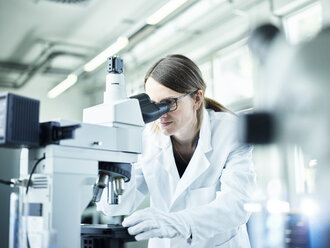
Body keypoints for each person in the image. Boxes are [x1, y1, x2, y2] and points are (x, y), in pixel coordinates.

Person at [97, 54, 256, 248]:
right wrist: (114, 158)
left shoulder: (232, 132)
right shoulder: (147, 138)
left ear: (197, 99)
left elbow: (237, 206)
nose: (160, 114)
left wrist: (180, 223)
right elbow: (115, 206)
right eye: (153, 105)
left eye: (169, 103)